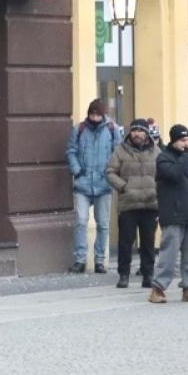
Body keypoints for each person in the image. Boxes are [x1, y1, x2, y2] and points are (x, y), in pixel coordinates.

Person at [150, 125, 188, 305]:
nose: (186, 144)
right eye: (182, 140)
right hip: (173, 213)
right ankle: (158, 288)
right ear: (173, 140)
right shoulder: (163, 158)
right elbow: (174, 175)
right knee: (169, 254)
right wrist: (184, 156)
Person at [66, 99, 119, 274]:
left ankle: (99, 261)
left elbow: (117, 153)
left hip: (103, 185)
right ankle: (80, 260)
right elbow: (71, 151)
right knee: (81, 222)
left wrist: (111, 174)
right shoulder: (79, 129)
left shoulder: (112, 129)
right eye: (92, 114)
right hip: (83, 183)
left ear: (103, 115)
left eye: (98, 115)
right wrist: (77, 170)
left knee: (103, 224)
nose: (94, 118)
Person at [106, 119, 159, 290]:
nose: (137, 133)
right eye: (134, 130)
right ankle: (124, 275)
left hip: (150, 204)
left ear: (146, 133)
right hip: (128, 204)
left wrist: (157, 189)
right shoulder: (120, 151)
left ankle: (148, 274)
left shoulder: (155, 151)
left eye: (140, 130)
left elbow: (163, 172)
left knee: (148, 243)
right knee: (125, 242)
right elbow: (110, 172)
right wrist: (123, 186)